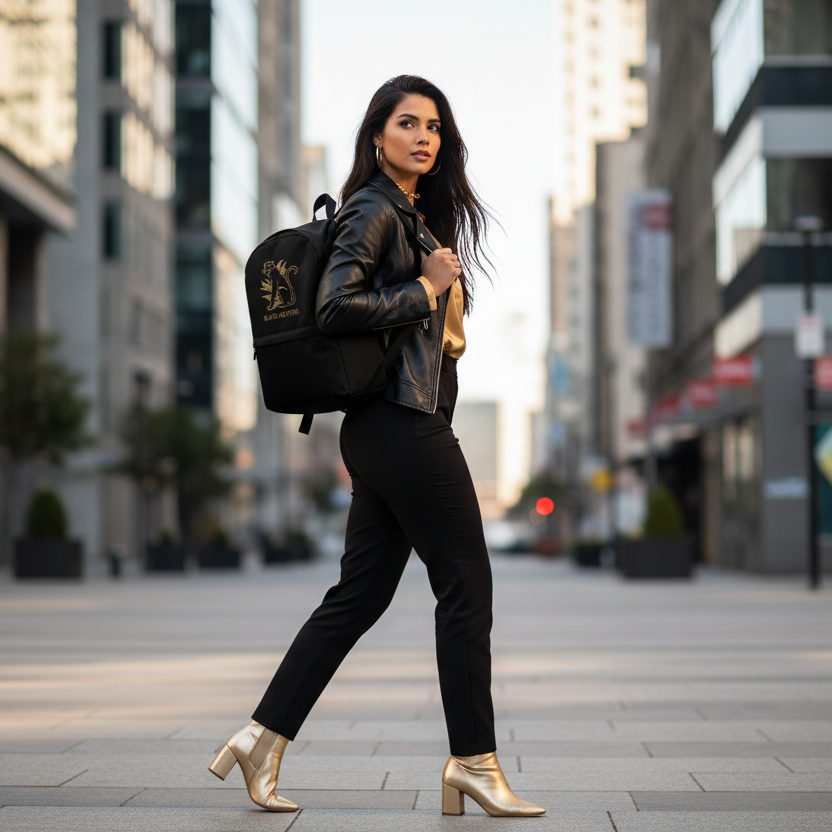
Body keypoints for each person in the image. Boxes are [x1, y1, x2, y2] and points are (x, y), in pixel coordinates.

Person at [208, 75, 545, 819]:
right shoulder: (373, 209)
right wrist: (425, 289)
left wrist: (434, 287)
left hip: (385, 427)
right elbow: (334, 306)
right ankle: (474, 761)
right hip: (401, 424)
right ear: (377, 136)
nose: (424, 137)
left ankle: (261, 738)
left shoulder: (413, 217)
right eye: (408, 124)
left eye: (435, 127)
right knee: (466, 583)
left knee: (358, 596)